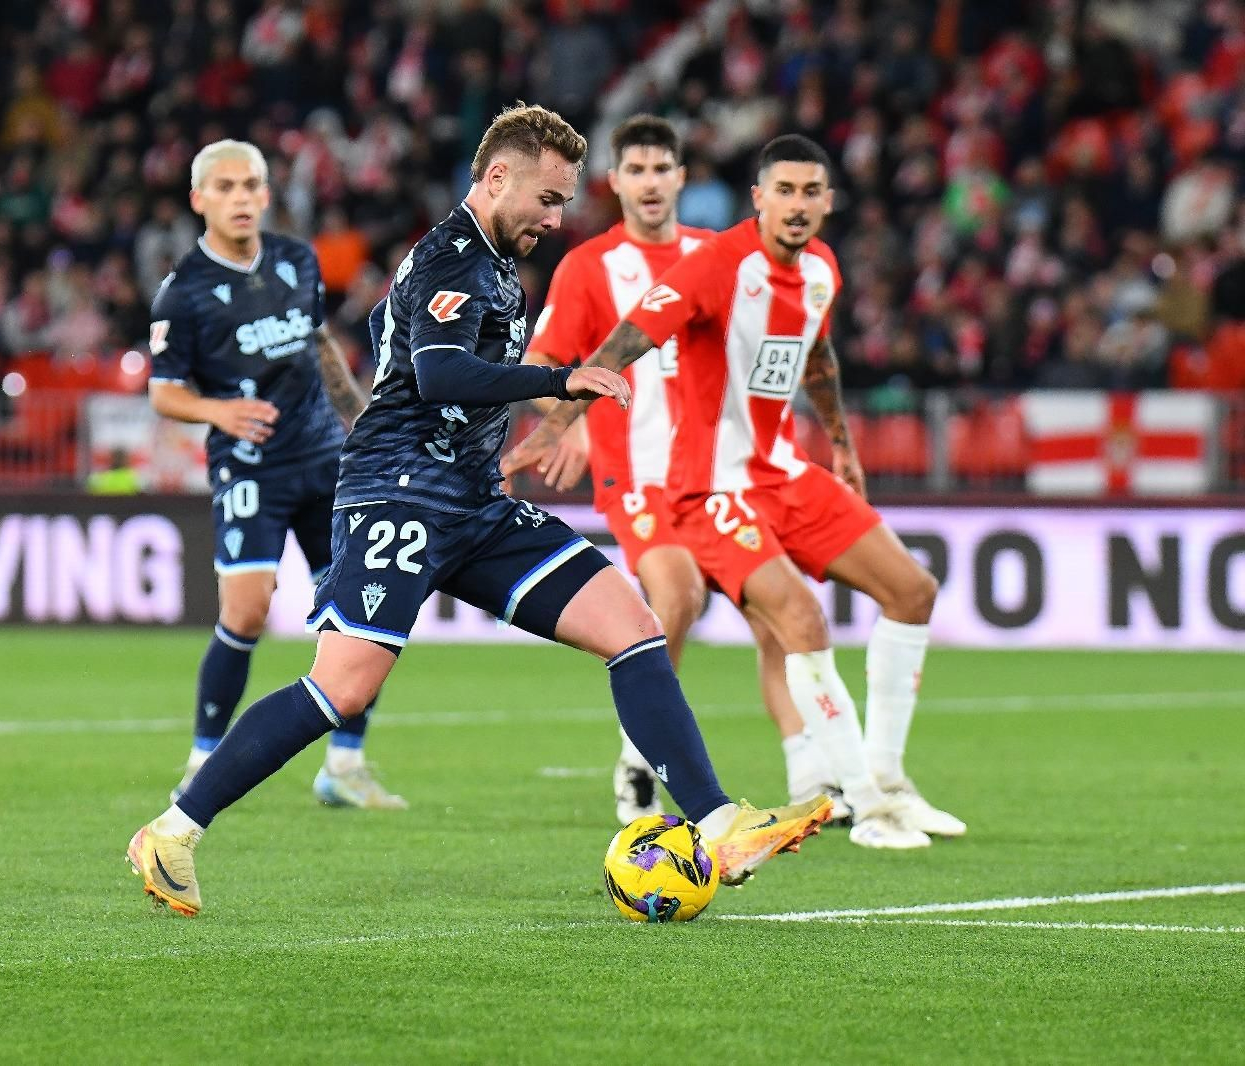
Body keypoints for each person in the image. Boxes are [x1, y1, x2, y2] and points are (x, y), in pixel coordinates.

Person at [127, 105, 830, 917]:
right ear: (498, 177)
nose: (556, 217)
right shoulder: (450, 257)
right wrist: (557, 380)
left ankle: (718, 822)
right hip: (399, 493)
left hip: (473, 502)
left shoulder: (500, 263)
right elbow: (438, 374)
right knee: (342, 689)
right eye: (548, 197)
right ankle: (173, 829)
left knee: (631, 627)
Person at [508, 135, 965, 849]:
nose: (798, 205)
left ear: (828, 202)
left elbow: (814, 352)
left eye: (812, 192)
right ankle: (865, 808)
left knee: (913, 591)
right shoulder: (715, 263)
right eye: (784, 190)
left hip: (782, 472)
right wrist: (561, 419)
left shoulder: (821, 269)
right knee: (787, 620)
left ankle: (889, 783)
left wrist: (841, 443)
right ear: (758, 197)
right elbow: (632, 334)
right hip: (706, 485)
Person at [523, 115, 840, 830]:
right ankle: (641, 759)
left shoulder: (724, 253)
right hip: (637, 475)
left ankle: (814, 777)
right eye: (635, 171)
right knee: (677, 595)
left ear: (681, 178)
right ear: (616, 183)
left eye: (662, 169)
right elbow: (545, 366)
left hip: (724, 476)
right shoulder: (588, 267)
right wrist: (563, 418)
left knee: (774, 618)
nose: (650, 183)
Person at [147, 139, 405, 810]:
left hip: (325, 458)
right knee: (248, 610)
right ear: (199, 200)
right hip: (252, 465)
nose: (240, 198)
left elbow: (319, 347)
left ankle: (344, 767)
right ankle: (203, 758)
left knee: (362, 610)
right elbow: (164, 390)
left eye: (250, 186)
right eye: (225, 188)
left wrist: (363, 420)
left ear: (266, 195)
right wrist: (218, 411)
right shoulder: (183, 293)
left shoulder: (296, 260)